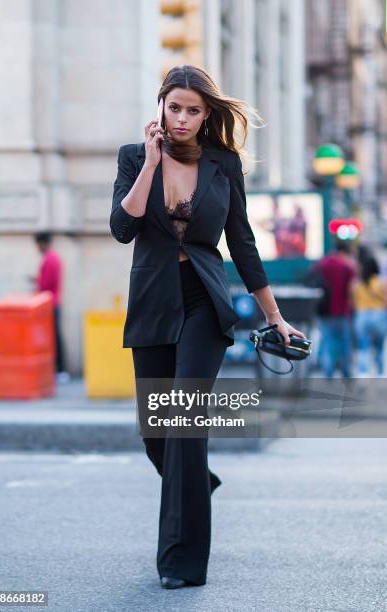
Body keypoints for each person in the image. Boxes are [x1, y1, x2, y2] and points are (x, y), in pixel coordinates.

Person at [109, 64, 306, 590]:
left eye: (193, 110)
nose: (183, 118)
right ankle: (199, 483)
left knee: (183, 427)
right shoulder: (134, 157)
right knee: (157, 437)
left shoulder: (223, 163)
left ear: (206, 115)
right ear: (161, 106)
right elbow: (122, 228)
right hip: (151, 302)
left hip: (203, 301)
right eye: (175, 107)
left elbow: (241, 242)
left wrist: (274, 317)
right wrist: (151, 164)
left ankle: (181, 562)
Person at [312, 240, 357, 378]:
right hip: (343, 311)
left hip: (325, 311)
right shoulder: (348, 267)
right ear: (345, 252)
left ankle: (328, 372)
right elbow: (351, 291)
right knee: (345, 344)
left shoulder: (322, 264)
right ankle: (346, 372)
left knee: (327, 342)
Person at [32, 231, 68, 382]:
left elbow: (45, 284)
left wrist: (37, 281)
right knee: (55, 337)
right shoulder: (55, 258)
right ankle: (59, 370)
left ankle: (59, 370)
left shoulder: (49, 259)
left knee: (53, 338)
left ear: (42, 243)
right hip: (53, 303)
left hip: (49, 304)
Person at [351, 255, 387, 376]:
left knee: (363, 346)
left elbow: (352, 301)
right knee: (379, 346)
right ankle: (380, 373)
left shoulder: (357, 283)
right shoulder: (382, 282)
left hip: (362, 315)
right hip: (379, 315)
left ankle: (363, 373)